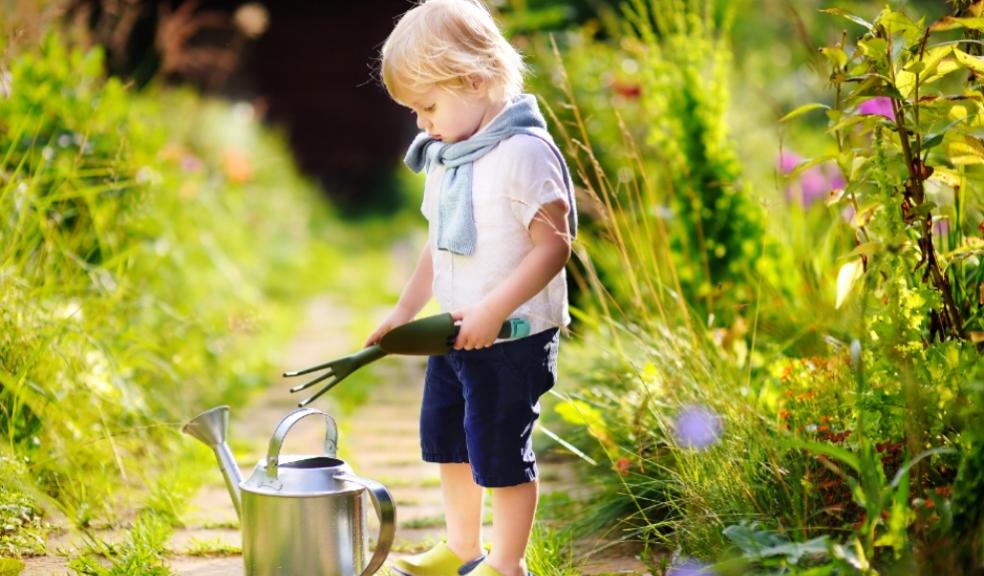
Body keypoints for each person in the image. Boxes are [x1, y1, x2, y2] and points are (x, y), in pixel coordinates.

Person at [370, 1, 577, 574]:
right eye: (415, 110)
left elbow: (554, 246)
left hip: (509, 336)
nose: (421, 123)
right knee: (450, 441)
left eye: (428, 105)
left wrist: (492, 309)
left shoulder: (523, 154)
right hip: (453, 332)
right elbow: (437, 246)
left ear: (477, 78)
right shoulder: (449, 158)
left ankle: (507, 562)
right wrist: (405, 310)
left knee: (500, 448)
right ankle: (462, 546)